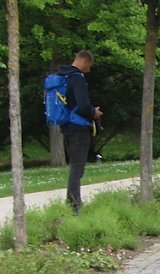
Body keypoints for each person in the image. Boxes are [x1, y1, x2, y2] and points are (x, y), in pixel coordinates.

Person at [56, 50, 103, 212]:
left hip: (66, 126)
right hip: (79, 128)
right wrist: (94, 112)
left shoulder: (62, 76)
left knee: (75, 165)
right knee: (78, 167)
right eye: (89, 65)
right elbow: (83, 106)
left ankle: (73, 201)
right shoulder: (77, 78)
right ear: (84, 61)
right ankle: (74, 204)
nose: (89, 70)